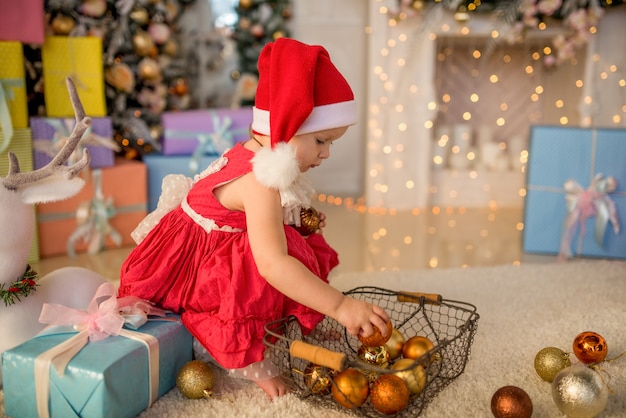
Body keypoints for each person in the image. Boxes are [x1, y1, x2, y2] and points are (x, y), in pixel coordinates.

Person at [117, 38, 390, 399]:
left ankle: (301, 314)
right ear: (287, 125)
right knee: (265, 270)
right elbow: (273, 266)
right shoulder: (261, 182)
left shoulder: (259, 152)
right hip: (196, 262)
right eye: (322, 140)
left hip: (219, 235)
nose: (325, 154)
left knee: (287, 244)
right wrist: (339, 305)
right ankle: (247, 360)